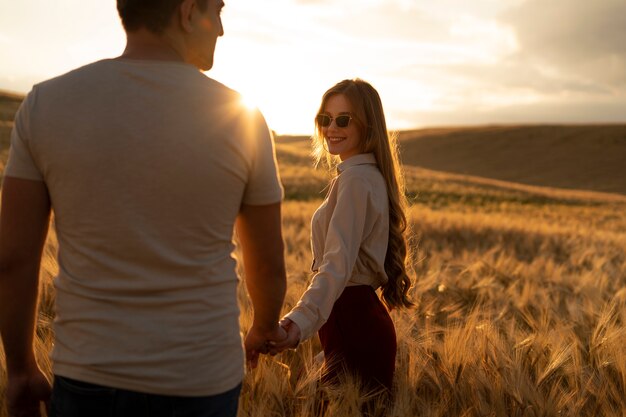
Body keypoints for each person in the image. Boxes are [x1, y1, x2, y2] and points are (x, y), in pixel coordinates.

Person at [0, 1, 287, 416]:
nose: (222, 29)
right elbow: (268, 265)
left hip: (88, 375)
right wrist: (263, 327)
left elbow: (13, 258)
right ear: (188, 12)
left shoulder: (45, 104)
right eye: (219, 10)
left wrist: (22, 369)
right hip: (201, 379)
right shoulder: (242, 119)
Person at [273, 79, 414, 395]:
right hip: (356, 322)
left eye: (343, 119)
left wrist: (298, 324)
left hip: (351, 322)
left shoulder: (355, 181)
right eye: (325, 119)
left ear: (368, 124)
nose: (331, 127)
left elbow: (336, 267)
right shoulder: (367, 176)